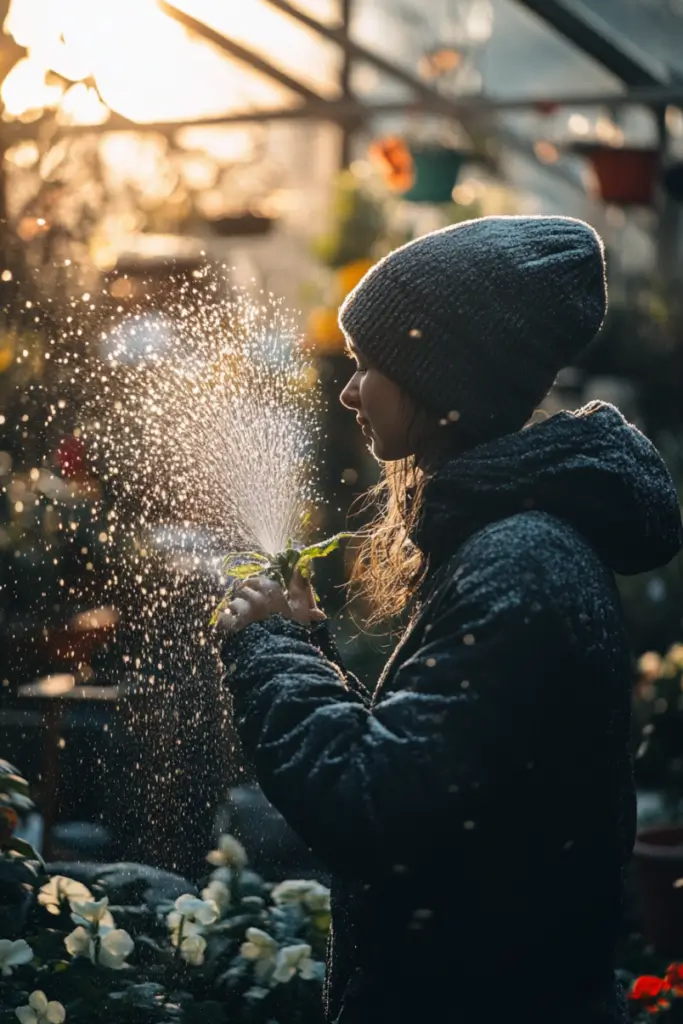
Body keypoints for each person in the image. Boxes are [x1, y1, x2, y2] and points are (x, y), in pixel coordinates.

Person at [216, 216, 683, 1024]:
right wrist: (310, 651)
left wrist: (272, 652)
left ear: (443, 384)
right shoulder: (509, 542)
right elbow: (439, 764)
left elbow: (376, 805)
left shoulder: (521, 559)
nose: (347, 388)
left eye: (370, 365)